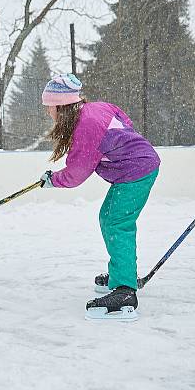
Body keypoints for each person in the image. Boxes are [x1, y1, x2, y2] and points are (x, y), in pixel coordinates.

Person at [38, 73, 160, 320]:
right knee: (110, 218)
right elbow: (124, 120)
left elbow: (77, 173)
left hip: (136, 171)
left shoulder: (86, 126)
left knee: (116, 221)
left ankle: (125, 290)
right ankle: (121, 275)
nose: (48, 113)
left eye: (49, 108)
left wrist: (53, 180)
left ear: (61, 107)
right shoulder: (95, 110)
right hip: (138, 166)